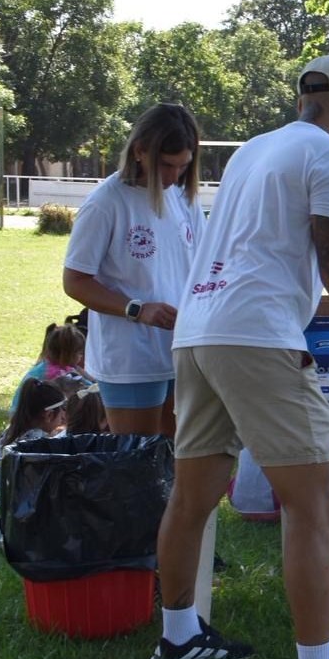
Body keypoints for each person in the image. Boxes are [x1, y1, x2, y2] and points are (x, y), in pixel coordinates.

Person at [153, 54, 329, 659]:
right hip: (258, 334)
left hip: (199, 326)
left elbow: (269, 244)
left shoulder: (254, 152)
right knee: (312, 502)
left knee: (192, 495)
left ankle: (178, 636)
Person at [62, 103, 206, 437]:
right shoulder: (106, 202)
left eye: (183, 166)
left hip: (181, 353)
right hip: (131, 361)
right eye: (167, 165)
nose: (174, 177)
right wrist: (137, 309)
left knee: (178, 464)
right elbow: (75, 281)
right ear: (140, 151)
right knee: (136, 468)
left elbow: (202, 266)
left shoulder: (184, 197)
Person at [0, 378, 67, 505]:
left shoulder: (12, 431)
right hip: (23, 507)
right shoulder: (36, 443)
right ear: (48, 415)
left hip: (6, 501)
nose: (64, 417)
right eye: (62, 410)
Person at [10, 322, 93, 412]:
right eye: (80, 353)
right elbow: (84, 387)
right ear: (68, 354)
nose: (81, 356)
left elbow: (87, 380)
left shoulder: (52, 364)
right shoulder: (54, 374)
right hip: (28, 417)